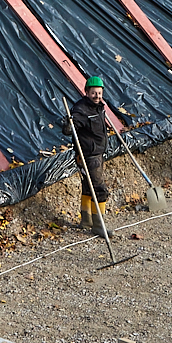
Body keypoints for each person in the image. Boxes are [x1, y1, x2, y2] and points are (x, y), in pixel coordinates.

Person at [67, 76, 113, 237]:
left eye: (99, 93)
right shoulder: (81, 110)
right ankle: (99, 226)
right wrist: (69, 124)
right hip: (88, 155)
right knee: (99, 188)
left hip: (97, 152)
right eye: (94, 93)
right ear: (86, 92)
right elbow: (69, 129)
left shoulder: (99, 106)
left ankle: (86, 219)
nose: (97, 96)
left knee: (88, 186)